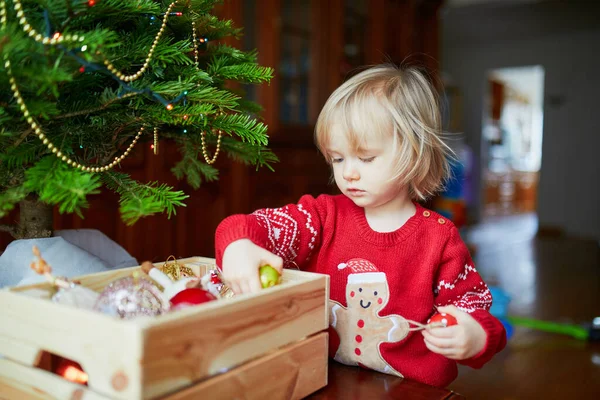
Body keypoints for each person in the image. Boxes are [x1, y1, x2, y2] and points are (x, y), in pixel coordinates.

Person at [214, 64, 506, 388]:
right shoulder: (322, 215)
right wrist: (239, 245)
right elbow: (259, 225)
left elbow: (472, 306)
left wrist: (475, 334)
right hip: (323, 378)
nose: (349, 172)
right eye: (338, 159)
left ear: (415, 153)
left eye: (365, 158)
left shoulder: (439, 237)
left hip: (410, 391)